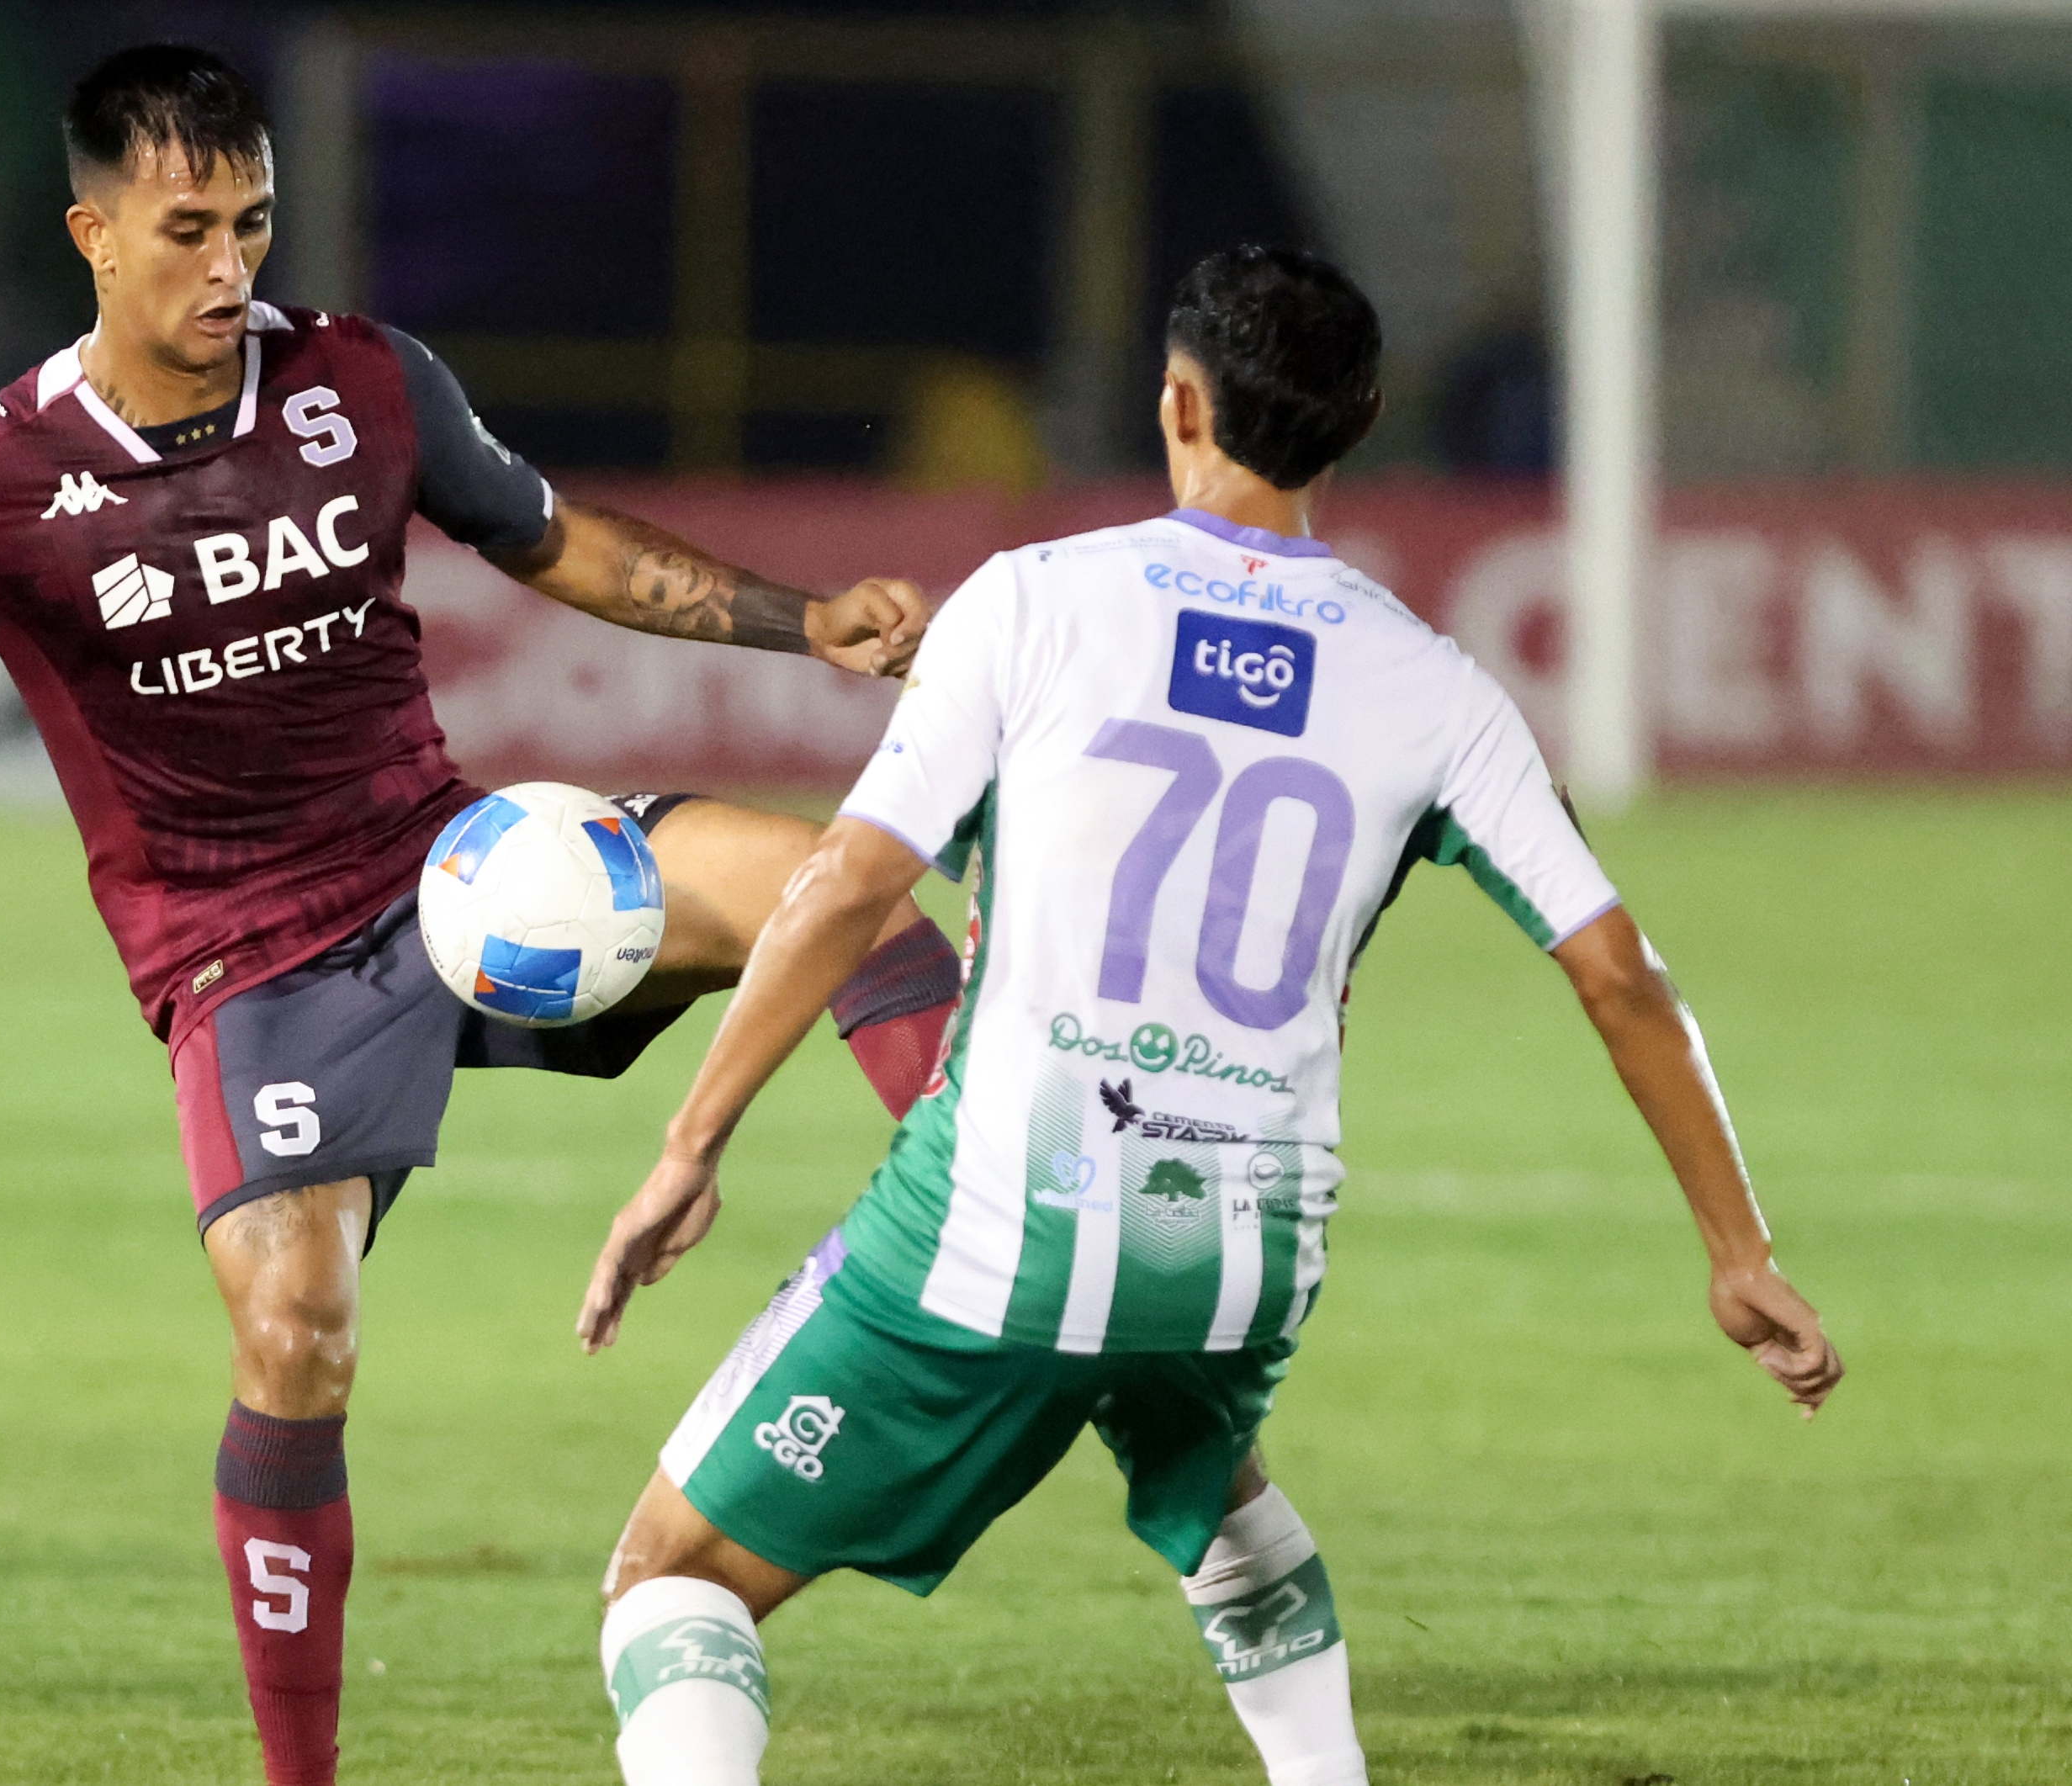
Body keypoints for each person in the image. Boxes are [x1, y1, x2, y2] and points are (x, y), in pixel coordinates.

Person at [0, 45, 968, 1786]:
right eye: (189, 230)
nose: (231, 266)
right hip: (247, 960)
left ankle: (978, 1243)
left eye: (252, 223)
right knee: (296, 1332)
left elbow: (562, 546)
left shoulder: (362, 383)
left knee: (847, 894)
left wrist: (805, 624)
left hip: (462, 868)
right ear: (94, 231)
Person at [574, 245, 1845, 1786]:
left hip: (1005, 1232)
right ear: (1359, 422)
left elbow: (845, 884)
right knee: (1207, 1470)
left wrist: (688, 1145)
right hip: (1249, 1255)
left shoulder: (1033, 604)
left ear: (1177, 401)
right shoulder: (1439, 687)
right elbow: (1620, 973)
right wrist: (1737, 1253)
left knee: (672, 1579)